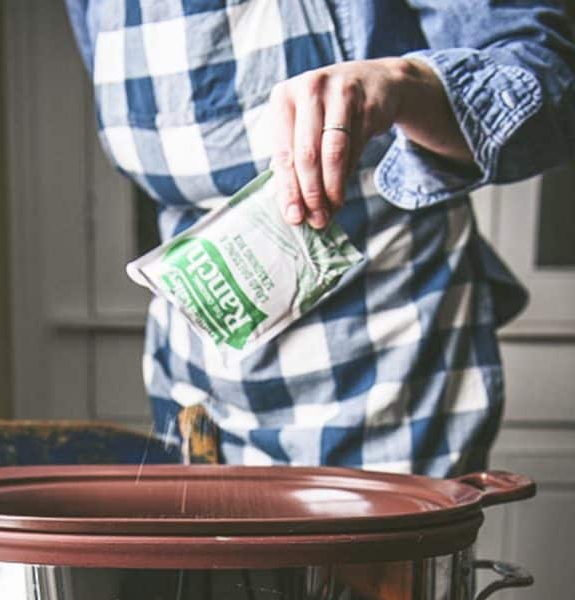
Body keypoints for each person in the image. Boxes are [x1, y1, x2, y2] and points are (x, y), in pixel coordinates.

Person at [65, 0, 575, 474]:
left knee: (376, 573)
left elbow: (552, 85)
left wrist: (403, 83)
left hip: (390, 380)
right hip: (194, 390)